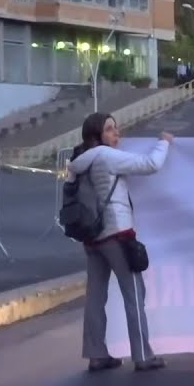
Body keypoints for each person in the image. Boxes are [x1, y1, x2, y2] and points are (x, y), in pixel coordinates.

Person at [66, 113, 172, 372]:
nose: (117, 133)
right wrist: (164, 143)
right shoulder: (105, 156)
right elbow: (150, 164)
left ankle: (96, 354)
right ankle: (143, 356)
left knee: (95, 297)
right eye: (111, 129)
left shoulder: (77, 163)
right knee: (134, 294)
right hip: (116, 232)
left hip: (91, 237)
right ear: (97, 135)